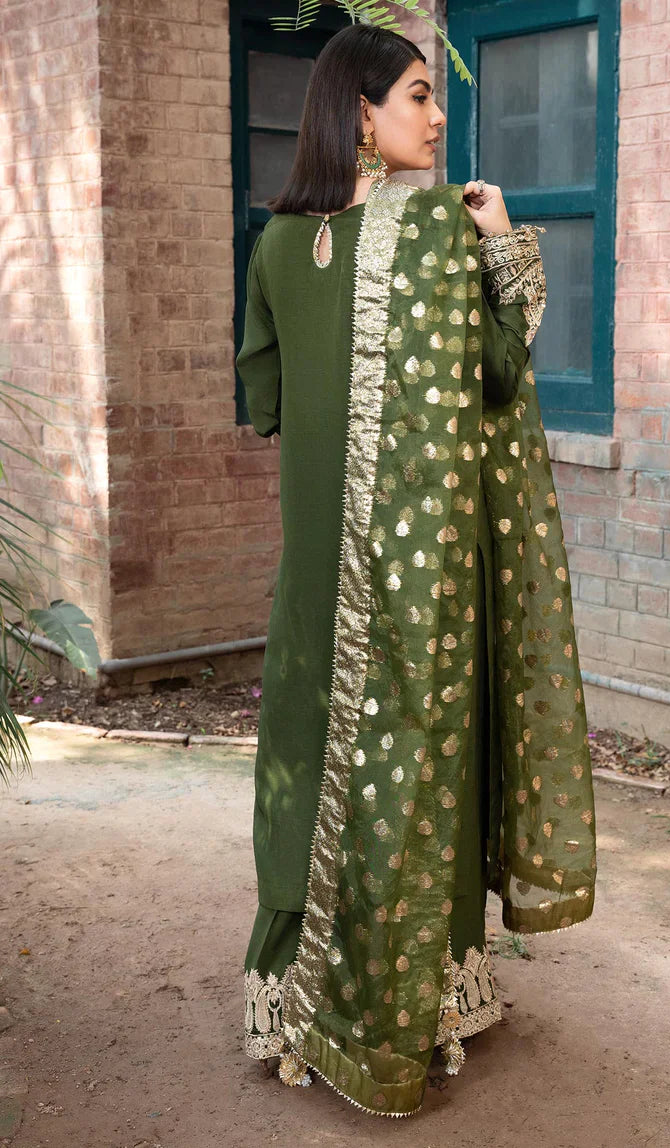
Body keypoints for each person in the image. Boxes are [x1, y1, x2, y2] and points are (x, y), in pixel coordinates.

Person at [235, 21, 597, 1118]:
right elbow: (500, 375)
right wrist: (505, 243)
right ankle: (412, 1005)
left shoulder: (272, 246)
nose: (437, 119)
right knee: (420, 763)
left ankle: (298, 1006)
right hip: (420, 583)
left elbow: (266, 402)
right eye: (418, 96)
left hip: (316, 583)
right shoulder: (441, 229)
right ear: (361, 113)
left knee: (308, 758)